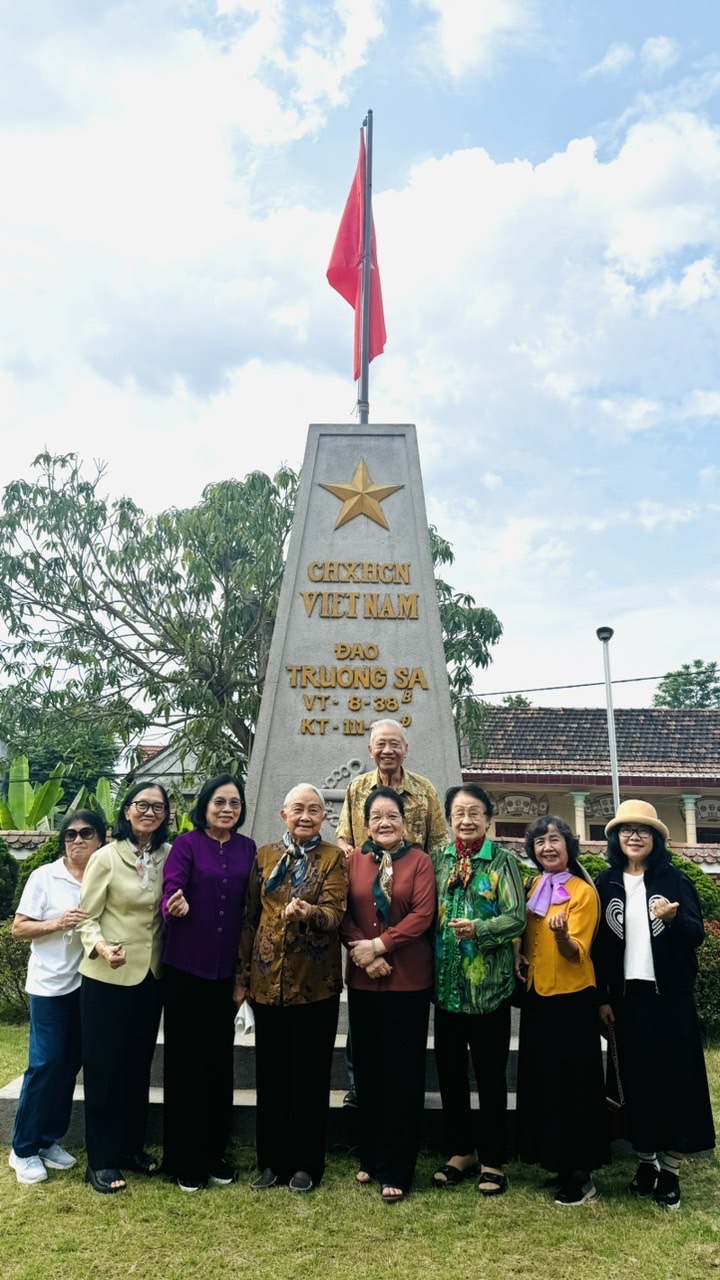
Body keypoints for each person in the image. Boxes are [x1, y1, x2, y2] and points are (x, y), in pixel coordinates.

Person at [594, 799, 715, 1211]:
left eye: (642, 831)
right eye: (626, 831)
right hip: (626, 1001)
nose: (633, 836)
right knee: (634, 1081)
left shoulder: (675, 880)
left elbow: (697, 934)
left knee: (675, 1083)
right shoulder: (605, 882)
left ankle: (672, 1170)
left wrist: (674, 919)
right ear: (615, 839)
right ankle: (645, 1162)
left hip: (671, 1000)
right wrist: (603, 997)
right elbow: (597, 947)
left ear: (656, 840)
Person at [238, 784, 347, 1193]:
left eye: (314, 810)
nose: (306, 816)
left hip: (314, 985)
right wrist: (241, 978)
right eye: (298, 809)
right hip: (267, 984)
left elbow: (336, 913)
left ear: (324, 817)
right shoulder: (264, 856)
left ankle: (306, 1165)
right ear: (283, 814)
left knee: (310, 1077)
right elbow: (250, 917)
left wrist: (309, 912)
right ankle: (271, 1163)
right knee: (271, 1077)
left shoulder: (333, 857)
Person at [336, 718, 447, 1106]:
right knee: (364, 1018)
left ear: (406, 749)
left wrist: (425, 885)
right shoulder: (357, 788)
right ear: (370, 750)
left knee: (405, 1013)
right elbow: (346, 840)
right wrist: (366, 949)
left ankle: (402, 1097)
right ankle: (358, 1085)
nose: (388, 750)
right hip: (367, 907)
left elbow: (439, 843)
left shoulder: (425, 790)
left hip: (411, 895)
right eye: (380, 744)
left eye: (395, 743)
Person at [160, 773, 257, 1192]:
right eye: (220, 802)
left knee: (218, 1067)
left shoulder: (247, 848)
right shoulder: (187, 844)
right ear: (205, 805)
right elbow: (171, 888)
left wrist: (243, 978)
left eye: (234, 803)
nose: (227, 809)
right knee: (184, 1065)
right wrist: (174, 904)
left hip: (224, 977)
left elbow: (250, 909)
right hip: (186, 970)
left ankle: (215, 1153)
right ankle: (184, 1160)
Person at [341, 787, 436, 1203]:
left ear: (405, 821)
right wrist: (363, 954)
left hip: (407, 982)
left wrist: (381, 946)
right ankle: (371, 1155)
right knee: (368, 1071)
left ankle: (397, 1166)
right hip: (364, 981)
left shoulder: (420, 861)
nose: (384, 822)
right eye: (376, 816)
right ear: (365, 823)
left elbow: (423, 915)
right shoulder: (353, 862)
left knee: (402, 1074)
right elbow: (342, 912)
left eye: (392, 815)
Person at [431, 784, 525, 1196]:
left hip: (488, 990)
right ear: (449, 819)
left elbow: (517, 917)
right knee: (450, 1075)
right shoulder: (439, 858)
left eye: (474, 813)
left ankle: (492, 1159)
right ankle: (460, 1151)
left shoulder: (502, 862)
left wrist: (480, 930)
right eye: (458, 813)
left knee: (489, 1077)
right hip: (447, 989)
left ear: (488, 817)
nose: (465, 820)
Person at [78, 781, 171, 1194]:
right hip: (107, 978)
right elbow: (85, 916)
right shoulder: (105, 857)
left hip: (150, 976)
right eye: (141, 805)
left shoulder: (169, 856)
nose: (149, 812)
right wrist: (100, 946)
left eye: (158, 806)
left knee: (137, 1067)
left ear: (166, 815)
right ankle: (100, 1160)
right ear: (127, 811)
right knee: (104, 1069)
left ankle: (130, 1149)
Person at [514, 816, 610, 1205]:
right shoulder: (534, 885)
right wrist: (519, 951)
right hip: (538, 997)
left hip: (572, 1000)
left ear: (568, 845)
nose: (547, 847)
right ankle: (557, 1160)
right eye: (539, 842)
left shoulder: (583, 892)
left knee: (575, 1086)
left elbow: (577, 952)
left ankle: (581, 1172)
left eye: (554, 840)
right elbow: (523, 932)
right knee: (546, 1083)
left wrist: (561, 935)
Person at [9, 810, 106, 1185]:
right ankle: (23, 1148)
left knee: (69, 1066)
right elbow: (19, 928)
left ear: (101, 837)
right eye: (70, 835)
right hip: (49, 986)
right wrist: (57, 923)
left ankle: (49, 1139)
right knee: (45, 1063)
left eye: (86, 833)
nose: (77, 840)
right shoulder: (44, 876)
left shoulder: (103, 874)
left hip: (88, 985)